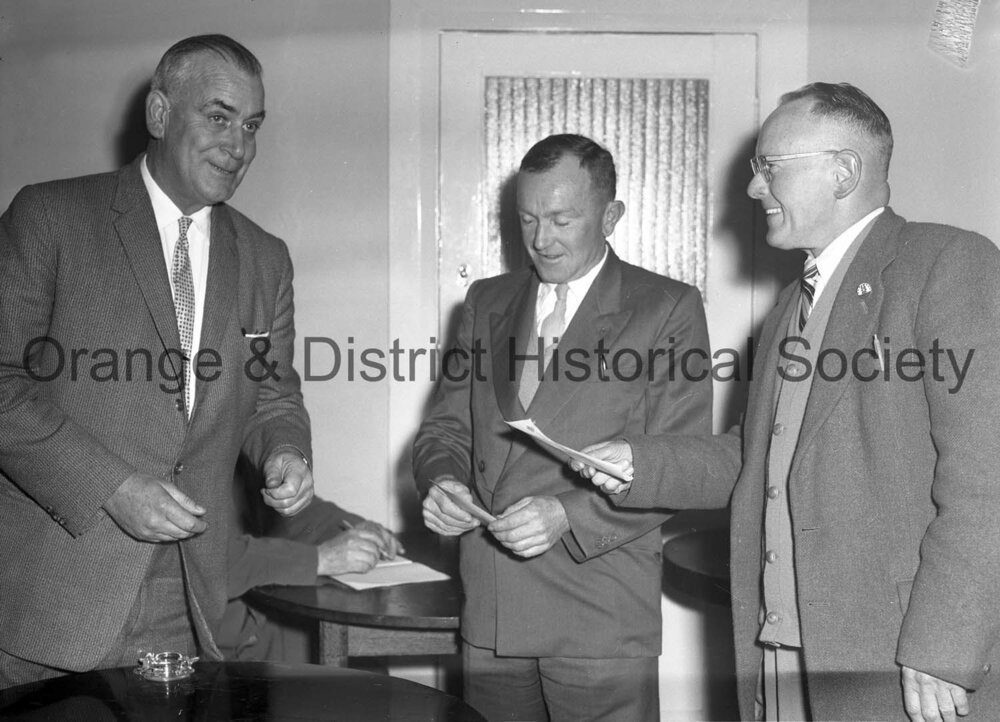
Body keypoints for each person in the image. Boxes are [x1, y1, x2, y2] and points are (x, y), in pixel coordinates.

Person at [576, 82, 1000, 721]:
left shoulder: (947, 264)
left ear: (844, 171)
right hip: (781, 651)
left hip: (893, 658)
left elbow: (986, 483)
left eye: (769, 168)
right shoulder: (787, 309)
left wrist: (944, 648)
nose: (752, 188)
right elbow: (755, 460)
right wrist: (636, 462)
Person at [0, 34, 314, 688]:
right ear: (159, 114)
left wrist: (283, 452)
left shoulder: (265, 257)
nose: (240, 145)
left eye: (252, 125)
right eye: (219, 117)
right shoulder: (50, 217)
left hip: (189, 597)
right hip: (53, 599)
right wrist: (113, 488)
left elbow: (272, 396)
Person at [413, 133, 712, 722]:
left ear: (611, 216)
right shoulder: (485, 301)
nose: (541, 240)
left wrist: (564, 515)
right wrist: (443, 482)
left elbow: (681, 463)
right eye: (527, 220)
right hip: (493, 608)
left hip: (597, 613)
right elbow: (443, 430)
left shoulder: (667, 308)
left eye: (561, 219)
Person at [220, 467, 401, 663]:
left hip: (260, 622)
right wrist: (319, 559)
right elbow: (215, 565)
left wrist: (360, 529)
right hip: (216, 644)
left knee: (363, 649)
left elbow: (294, 513)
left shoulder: (240, 456)